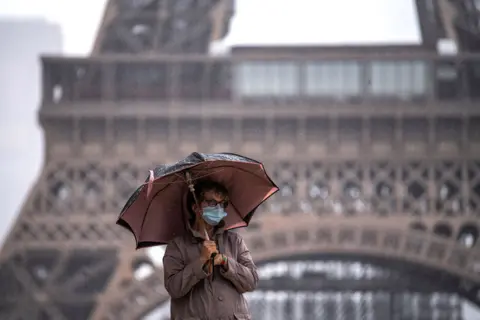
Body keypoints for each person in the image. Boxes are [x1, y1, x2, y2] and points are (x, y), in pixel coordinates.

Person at [162, 179, 258, 320]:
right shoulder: (177, 246)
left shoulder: (235, 242)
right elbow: (174, 288)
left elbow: (252, 282)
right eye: (212, 203)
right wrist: (201, 261)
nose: (218, 208)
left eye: (222, 204)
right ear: (196, 208)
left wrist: (226, 262)